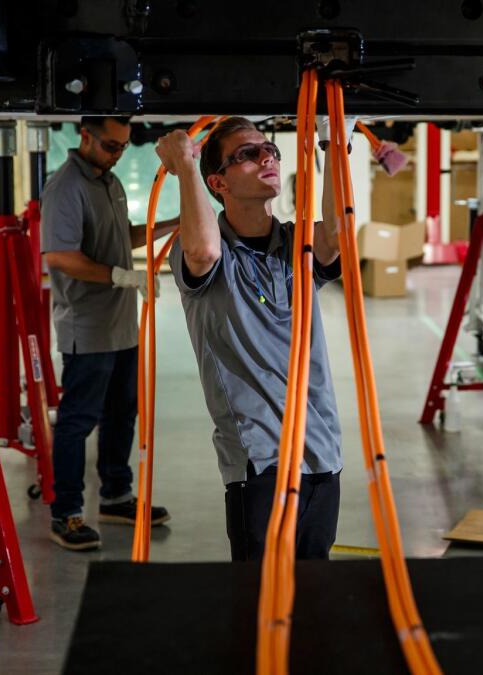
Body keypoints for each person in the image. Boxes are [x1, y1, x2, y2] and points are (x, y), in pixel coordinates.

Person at [156, 116, 343, 562]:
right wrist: (185, 166)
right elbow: (203, 251)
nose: (266, 158)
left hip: (320, 451)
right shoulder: (200, 249)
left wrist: (334, 142)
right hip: (259, 460)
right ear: (217, 182)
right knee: (259, 596)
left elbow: (335, 236)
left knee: (315, 585)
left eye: (269, 151)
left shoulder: (297, 243)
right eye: (247, 154)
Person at [41, 115, 173, 551]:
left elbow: (123, 237)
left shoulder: (108, 181)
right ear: (85, 136)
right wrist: (121, 277)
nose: (118, 155)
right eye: (111, 146)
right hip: (88, 328)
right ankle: (67, 513)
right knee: (78, 421)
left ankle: (116, 496)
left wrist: (174, 223)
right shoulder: (66, 187)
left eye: (123, 147)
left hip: (121, 327)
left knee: (122, 413)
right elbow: (59, 256)